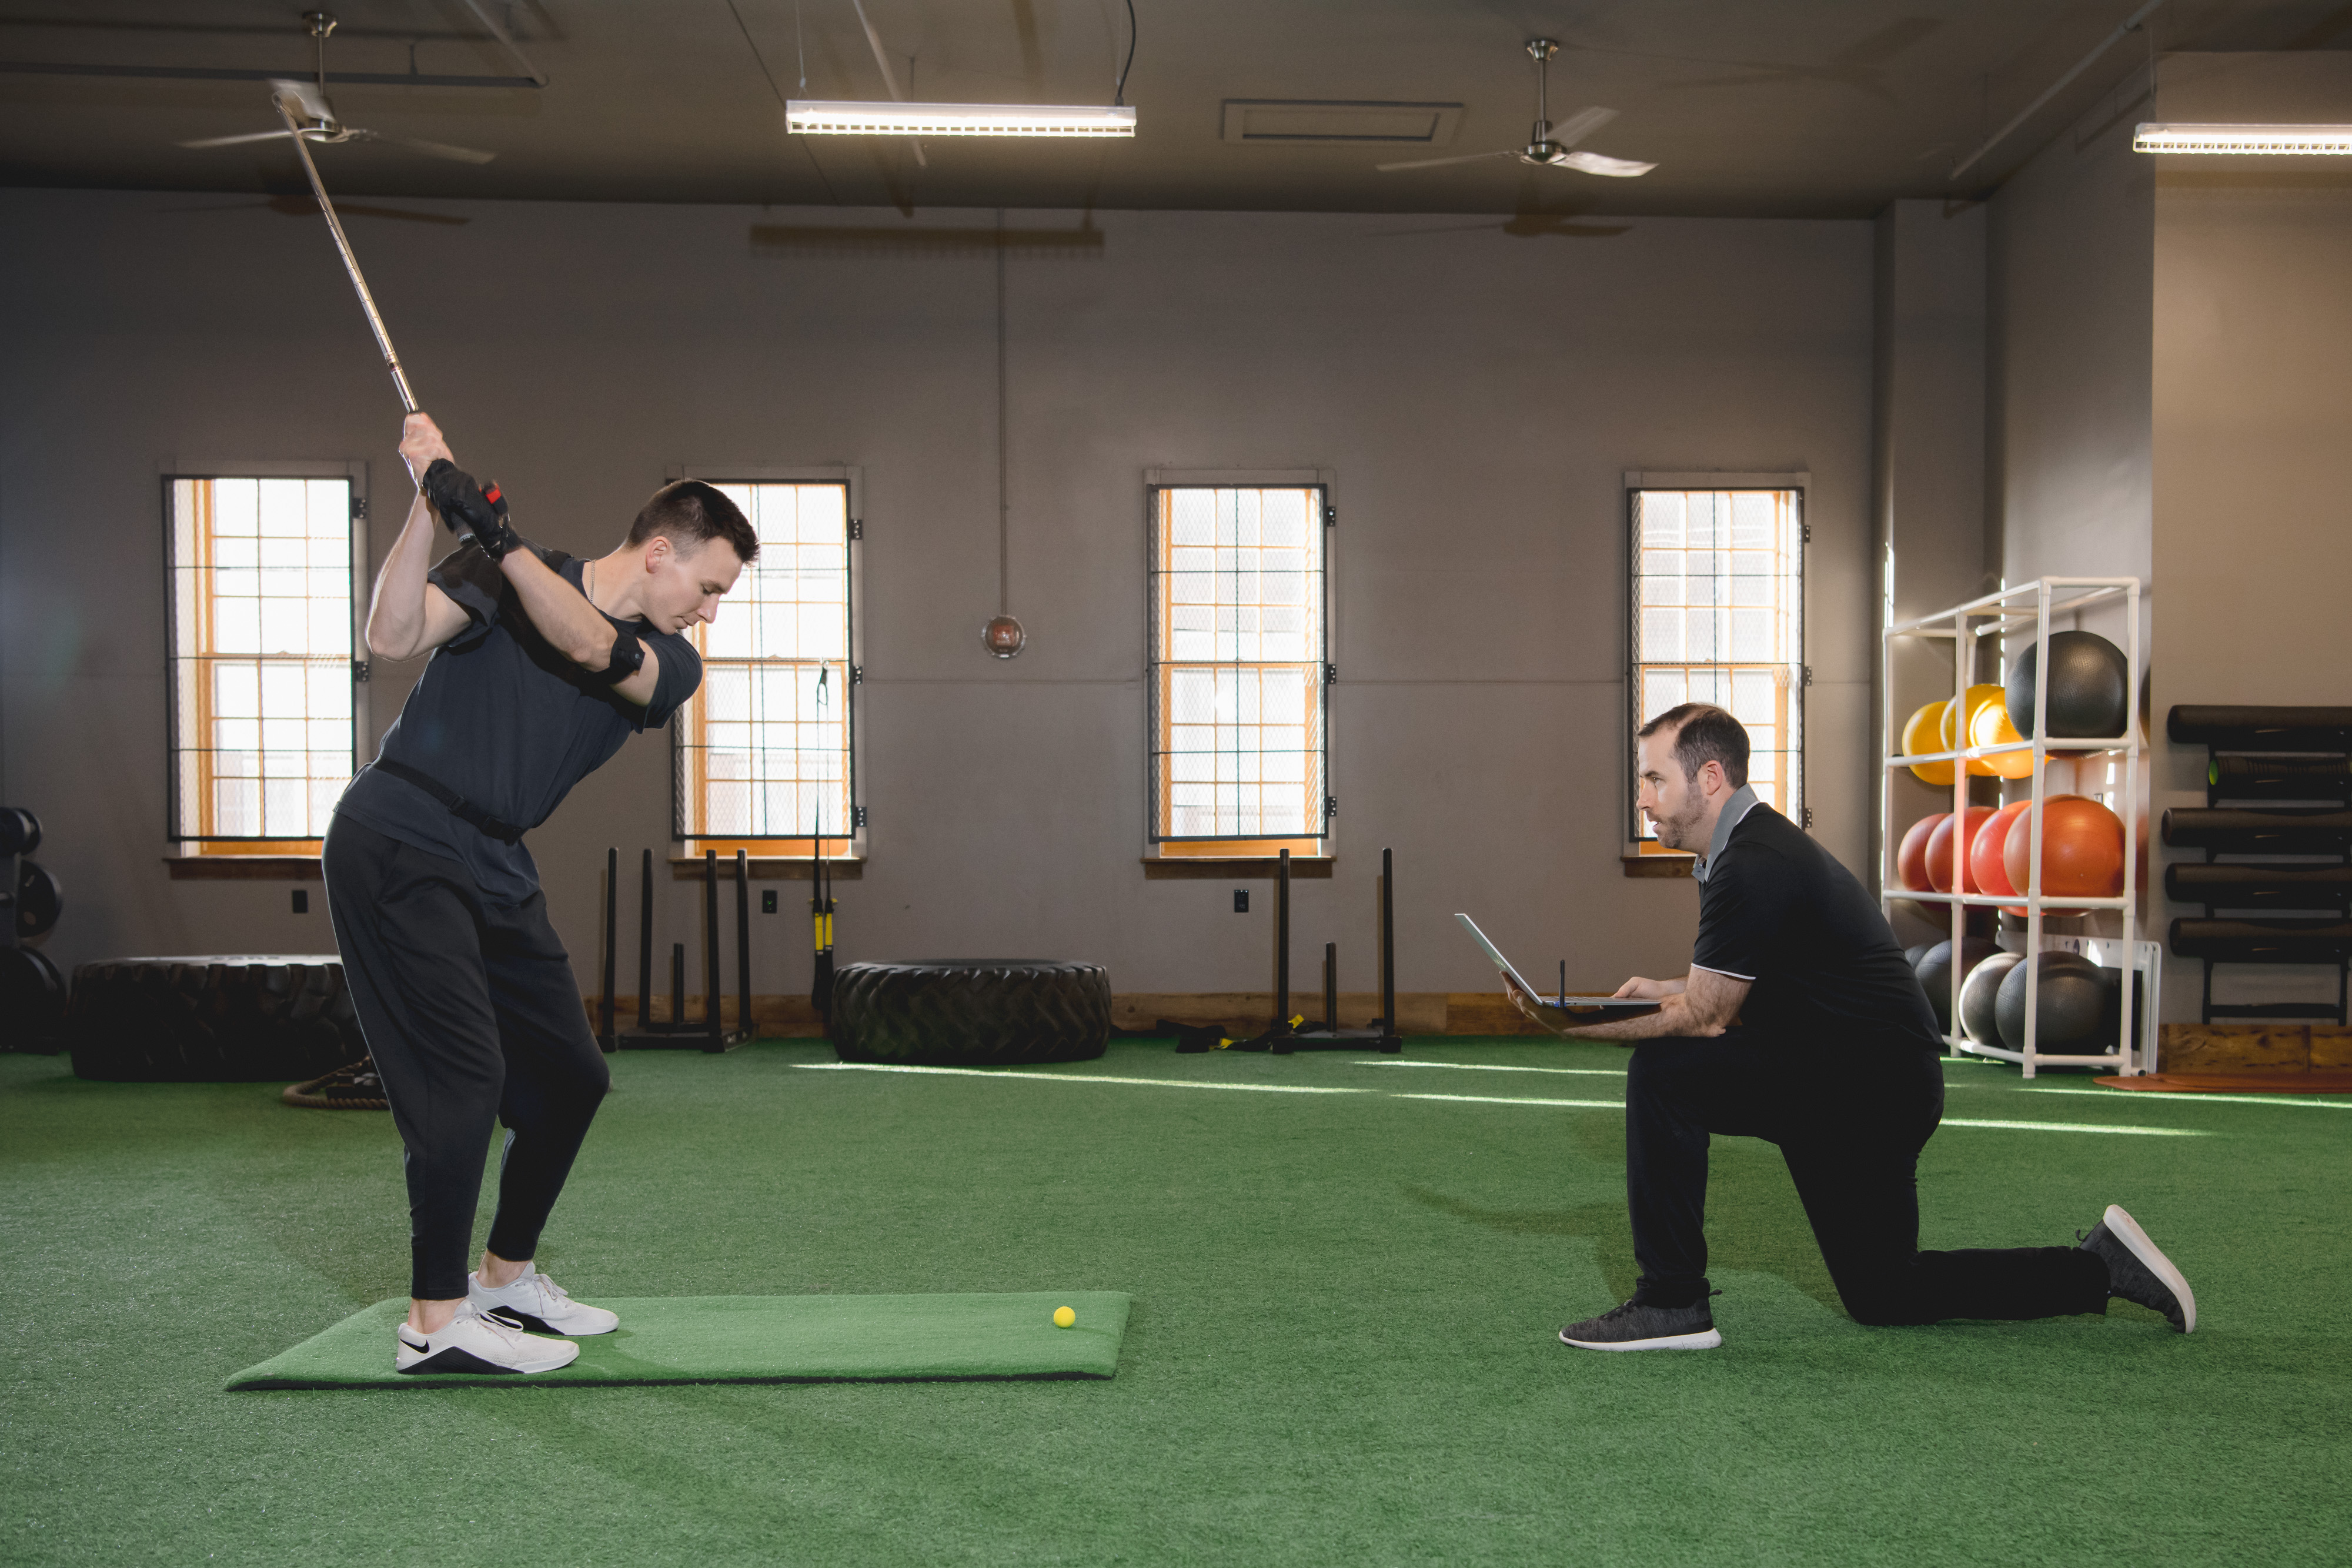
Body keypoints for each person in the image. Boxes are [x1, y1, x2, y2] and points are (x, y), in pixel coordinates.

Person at [1509, 703, 2195, 1351]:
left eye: (1655, 779)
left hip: (1867, 1085)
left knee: (1665, 1075)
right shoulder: (1736, 850)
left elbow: (1709, 1017)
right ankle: (2097, 1270)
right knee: (1886, 1293)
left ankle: (1672, 1301)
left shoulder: (1753, 863)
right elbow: (1750, 979)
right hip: (1846, 1072)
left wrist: (1568, 1028)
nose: (1644, 798)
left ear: (1708, 778)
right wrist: (1669, 986)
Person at [325, 412, 754, 1374]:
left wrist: (497, 537)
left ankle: (503, 1279)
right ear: (659, 553)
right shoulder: (495, 567)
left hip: (495, 857)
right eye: (711, 587)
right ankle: (434, 1324)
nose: (712, 611)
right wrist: (426, 506)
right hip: (400, 831)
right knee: (463, 1077)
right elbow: (389, 632)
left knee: (571, 1077)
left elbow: (588, 646)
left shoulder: (668, 661)